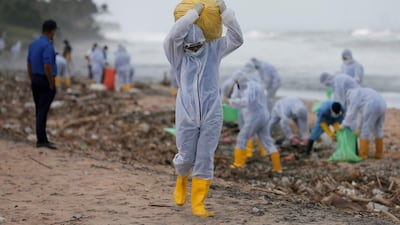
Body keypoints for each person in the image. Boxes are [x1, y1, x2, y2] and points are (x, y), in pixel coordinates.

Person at [164, 0, 243, 217]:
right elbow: (172, 37)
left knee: (206, 156)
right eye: (190, 46)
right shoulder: (177, 55)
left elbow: (237, 39)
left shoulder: (214, 49)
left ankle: (198, 202)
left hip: (212, 110)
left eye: (197, 44)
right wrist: (192, 14)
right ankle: (181, 178)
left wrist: (226, 14)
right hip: (187, 110)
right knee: (186, 156)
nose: (194, 49)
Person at [225, 75, 281, 172]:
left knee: (242, 138)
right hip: (264, 116)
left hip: (255, 116)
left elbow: (247, 102)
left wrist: (232, 102)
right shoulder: (257, 86)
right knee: (267, 141)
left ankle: (239, 164)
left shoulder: (249, 88)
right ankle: (277, 168)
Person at [27, 19, 58, 150]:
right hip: (45, 80)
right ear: (51, 32)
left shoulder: (33, 44)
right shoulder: (48, 46)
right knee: (43, 110)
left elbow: (28, 63)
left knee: (39, 108)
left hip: (35, 78)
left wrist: (31, 78)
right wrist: (51, 82)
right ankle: (41, 139)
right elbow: (47, 65)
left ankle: (42, 137)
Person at [340, 88, 386, 159]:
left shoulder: (353, 95)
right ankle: (379, 153)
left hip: (372, 105)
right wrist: (358, 128)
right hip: (383, 105)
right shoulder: (362, 92)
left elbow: (351, 112)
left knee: (366, 129)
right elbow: (362, 115)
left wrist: (344, 123)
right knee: (378, 128)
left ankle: (363, 154)